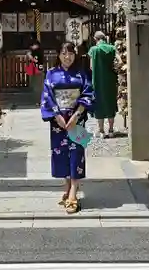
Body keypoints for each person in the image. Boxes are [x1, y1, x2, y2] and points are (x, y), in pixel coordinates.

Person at [40, 42, 94, 214]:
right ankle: (67, 186)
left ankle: (73, 193)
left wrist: (76, 115)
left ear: (75, 55)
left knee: (77, 153)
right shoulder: (51, 74)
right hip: (58, 122)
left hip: (77, 120)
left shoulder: (82, 73)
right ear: (58, 55)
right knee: (61, 153)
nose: (67, 57)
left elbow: (89, 93)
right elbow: (47, 96)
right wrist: (57, 116)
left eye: (71, 53)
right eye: (64, 53)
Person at [88, 30, 118, 138]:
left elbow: (91, 67)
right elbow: (118, 62)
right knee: (110, 104)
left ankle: (101, 131)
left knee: (99, 105)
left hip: (98, 81)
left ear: (95, 39)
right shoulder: (112, 48)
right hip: (110, 81)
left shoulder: (93, 50)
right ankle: (110, 130)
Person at [26, 38, 44, 104]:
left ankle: (39, 101)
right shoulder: (36, 51)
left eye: (33, 45)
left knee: (38, 86)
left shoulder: (38, 51)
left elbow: (35, 60)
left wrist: (29, 55)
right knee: (36, 86)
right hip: (36, 70)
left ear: (37, 45)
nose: (31, 47)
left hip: (38, 70)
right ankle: (38, 100)